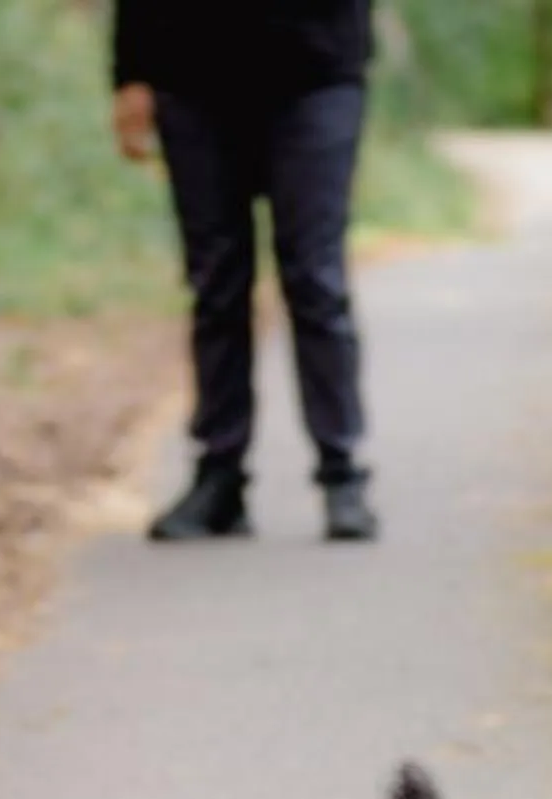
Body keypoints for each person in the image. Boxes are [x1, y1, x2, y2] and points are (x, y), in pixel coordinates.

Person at [112, 1, 380, 544]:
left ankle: (340, 471)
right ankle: (220, 477)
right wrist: (130, 73)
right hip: (190, 73)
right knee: (216, 285)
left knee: (314, 278)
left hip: (316, 67)